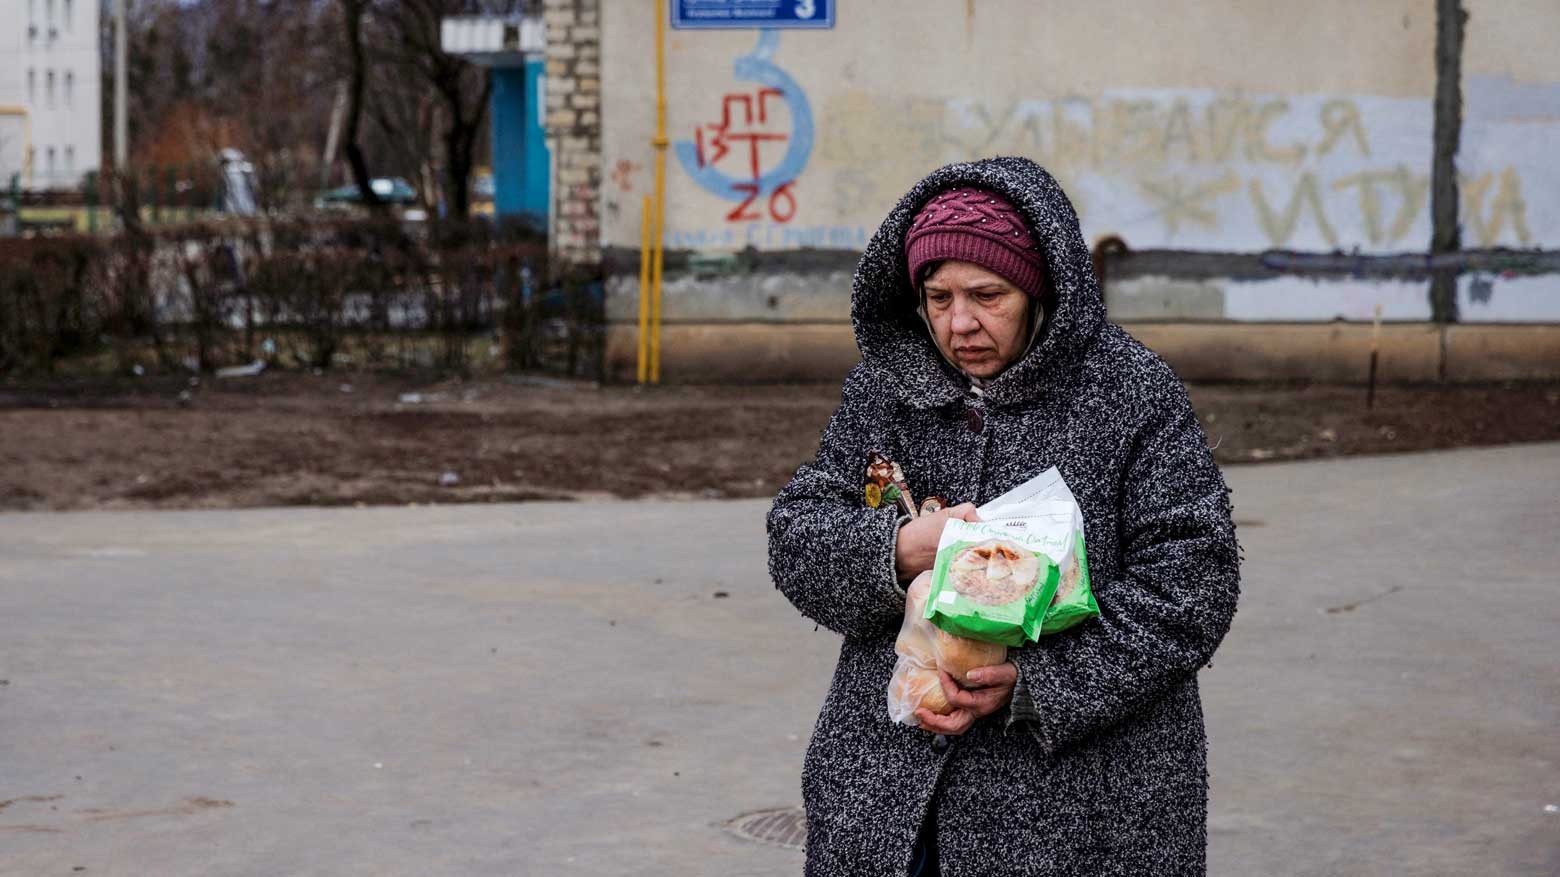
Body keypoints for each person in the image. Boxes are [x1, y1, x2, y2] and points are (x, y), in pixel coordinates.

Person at [767, 156, 1241, 876]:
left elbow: (1192, 585)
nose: (960, 323)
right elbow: (798, 533)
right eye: (938, 297)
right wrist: (900, 548)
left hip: (1079, 814)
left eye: (988, 295)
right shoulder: (885, 391)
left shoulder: (1132, 394)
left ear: (1040, 288)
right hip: (887, 797)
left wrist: (1035, 680)